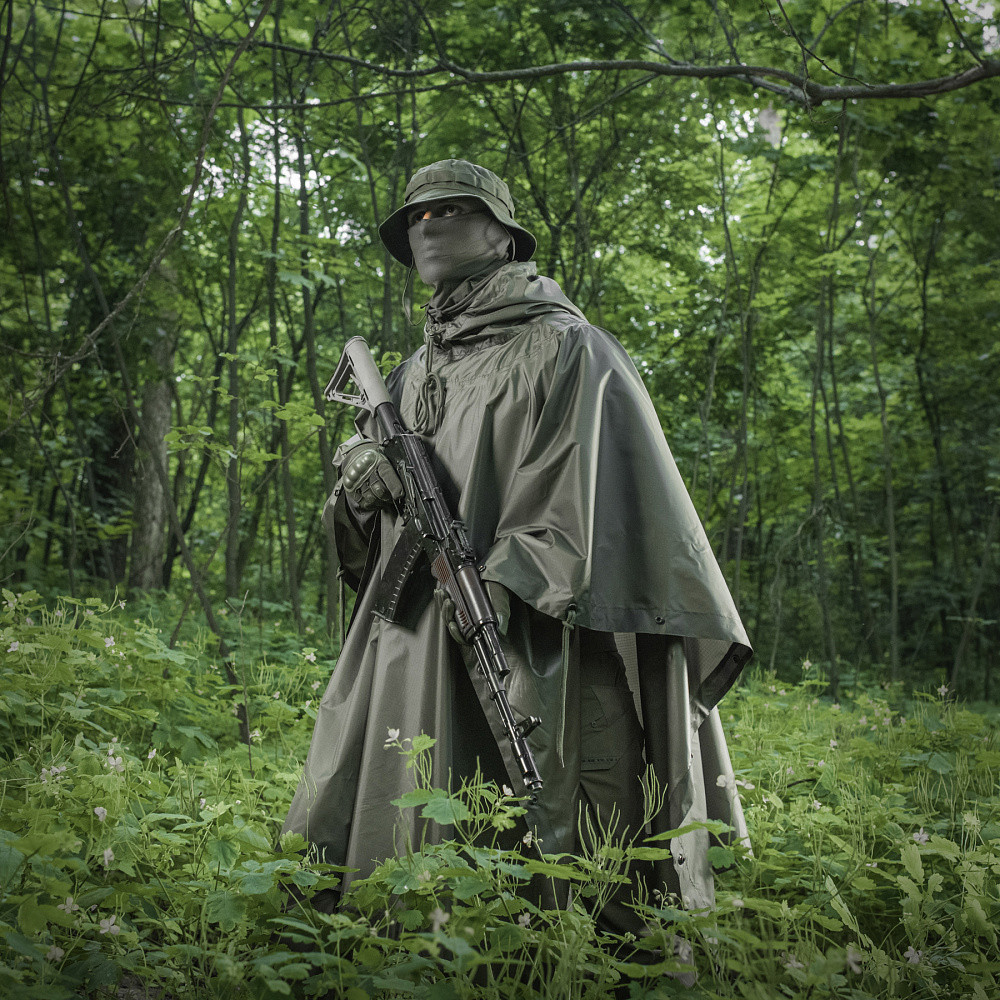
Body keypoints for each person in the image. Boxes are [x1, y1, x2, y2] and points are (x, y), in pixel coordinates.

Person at [282, 159, 752, 942]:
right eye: (416, 219)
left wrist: (503, 581)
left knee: (569, 794)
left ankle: (566, 942)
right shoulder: (412, 368)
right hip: (408, 635)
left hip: (535, 633)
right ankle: (397, 924)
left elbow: (609, 504)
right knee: (402, 780)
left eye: (453, 210)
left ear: (503, 236)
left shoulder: (572, 350)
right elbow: (366, 514)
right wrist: (360, 474)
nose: (429, 227)